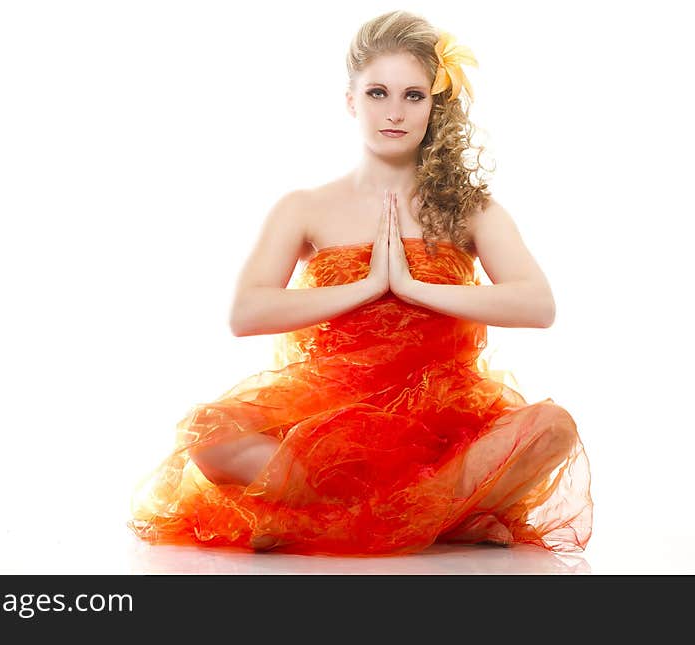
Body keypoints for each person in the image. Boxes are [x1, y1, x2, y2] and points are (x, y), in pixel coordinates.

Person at [127, 9, 593, 555]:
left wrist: (413, 287)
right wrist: (369, 285)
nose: (394, 112)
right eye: (378, 93)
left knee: (552, 427)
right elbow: (245, 313)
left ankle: (347, 515)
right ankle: (438, 514)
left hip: (445, 422)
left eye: (413, 96)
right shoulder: (304, 207)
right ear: (351, 100)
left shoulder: (470, 209)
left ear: (433, 106)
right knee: (211, 437)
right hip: (329, 418)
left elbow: (538, 304)